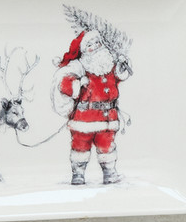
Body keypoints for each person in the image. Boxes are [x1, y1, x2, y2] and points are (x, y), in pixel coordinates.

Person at [53, 26, 132, 185]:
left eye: (97, 43)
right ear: (84, 50)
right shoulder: (80, 67)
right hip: (84, 119)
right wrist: (77, 83)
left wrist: (122, 66)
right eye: (90, 45)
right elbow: (64, 85)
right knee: (80, 146)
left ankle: (109, 173)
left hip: (107, 119)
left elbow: (119, 77)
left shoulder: (108, 65)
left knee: (107, 146)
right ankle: (78, 174)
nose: (95, 46)